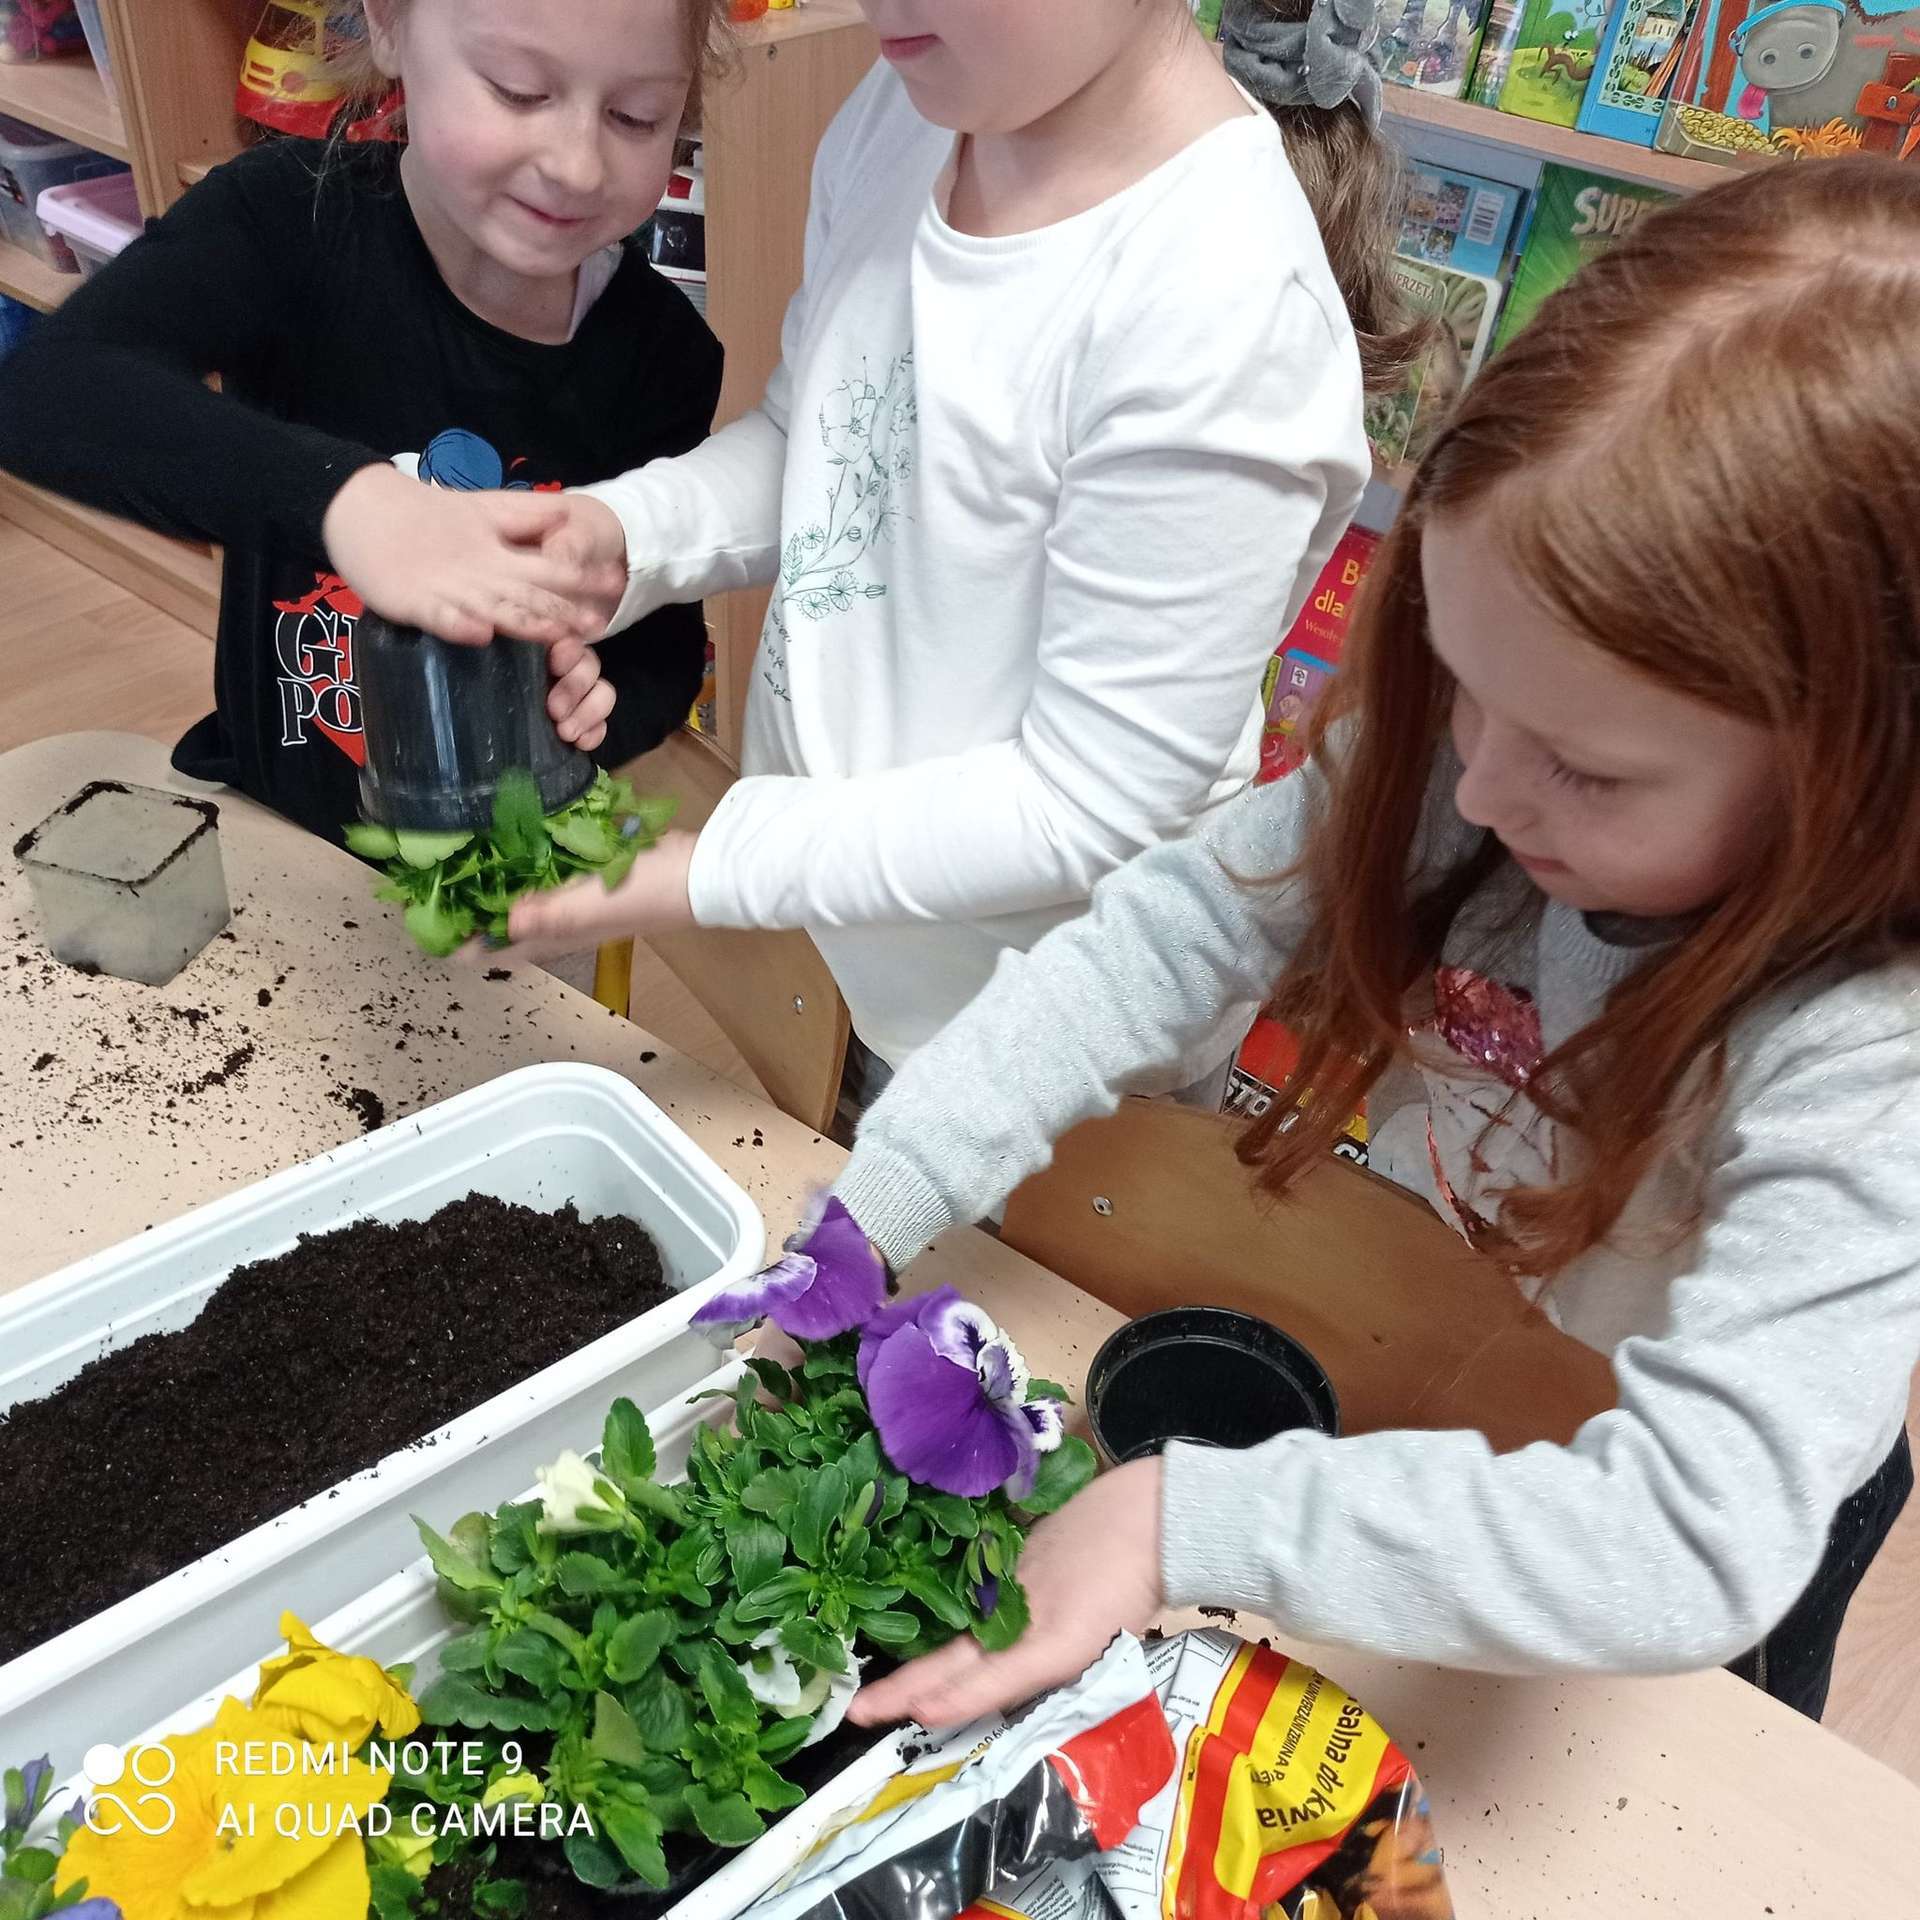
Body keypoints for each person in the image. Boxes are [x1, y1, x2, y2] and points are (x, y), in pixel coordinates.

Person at [813, 159, 1920, 1729]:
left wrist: (1185, 1520)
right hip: (1468, 1365)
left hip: (1680, 1522)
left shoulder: (1870, 1057)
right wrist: (880, 1199)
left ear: (1856, 780)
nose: (1479, 792)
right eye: (1461, 678)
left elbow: (1688, 1537)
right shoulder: (1488, 760)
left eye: (1586, 768)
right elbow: (1173, 932)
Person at [456, 0, 1412, 1113]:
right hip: (832, 945)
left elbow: (1083, 800)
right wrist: (620, 538)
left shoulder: (1224, 304)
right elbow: (825, 440)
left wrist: (705, 862)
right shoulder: (911, 107)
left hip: (1029, 1057)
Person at [0, 0, 723, 845]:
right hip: (284, 817)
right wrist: (351, 503)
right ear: (387, 25)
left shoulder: (665, 353)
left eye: (636, 116)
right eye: (519, 91)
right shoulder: (288, 216)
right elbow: (51, 391)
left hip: (506, 850)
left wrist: (597, 704)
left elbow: (666, 649)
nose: (577, 166)